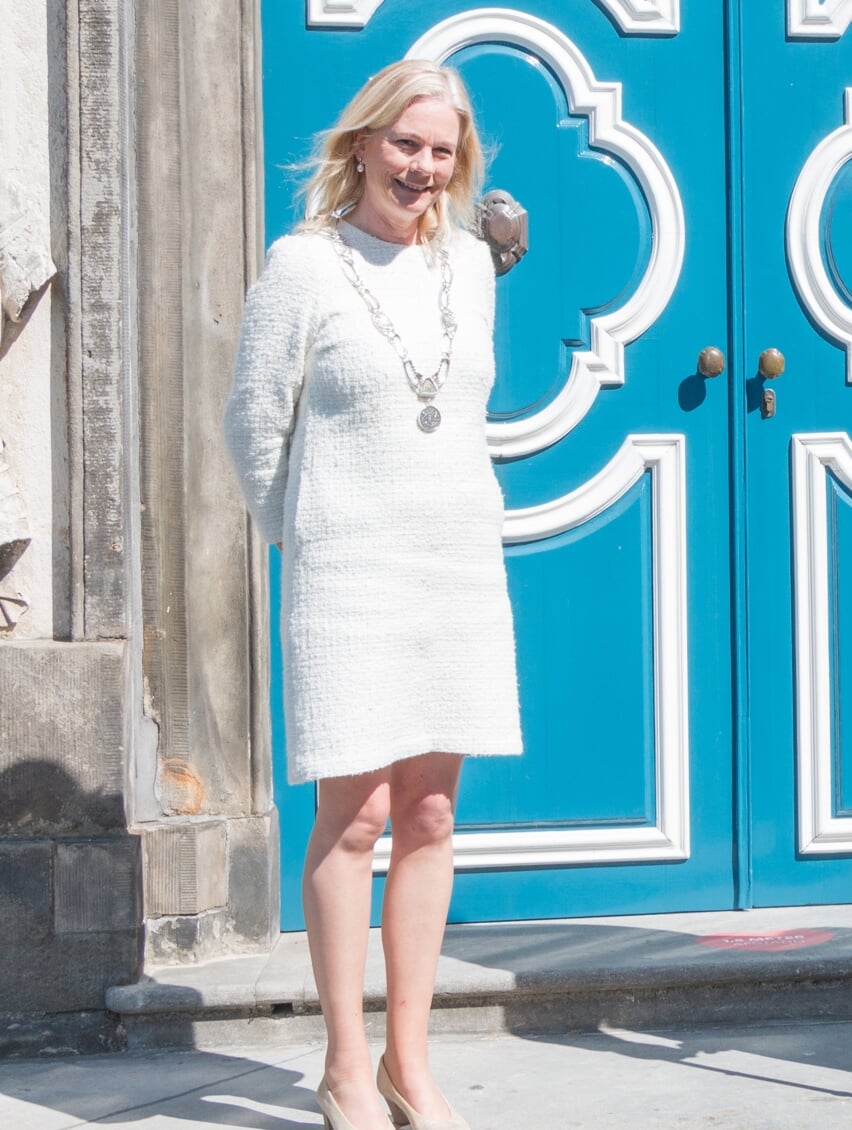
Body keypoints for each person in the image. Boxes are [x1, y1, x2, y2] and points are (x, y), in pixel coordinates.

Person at [223, 60, 518, 1130]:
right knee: (355, 819)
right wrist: (307, 537)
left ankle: (410, 1061)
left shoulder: (472, 265)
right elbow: (254, 427)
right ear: (362, 144)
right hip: (347, 569)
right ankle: (347, 1064)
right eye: (406, 144)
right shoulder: (303, 265)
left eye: (442, 151)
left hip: (455, 565)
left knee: (433, 810)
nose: (424, 168)